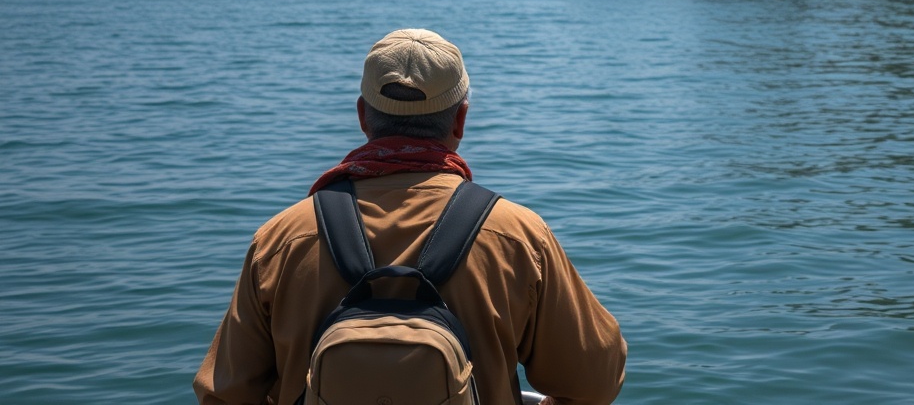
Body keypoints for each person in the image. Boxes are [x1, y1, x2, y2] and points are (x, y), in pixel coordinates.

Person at [194, 28, 627, 405]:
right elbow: (594, 382)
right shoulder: (516, 236)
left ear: (363, 116)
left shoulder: (282, 239)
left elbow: (226, 394)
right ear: (460, 119)